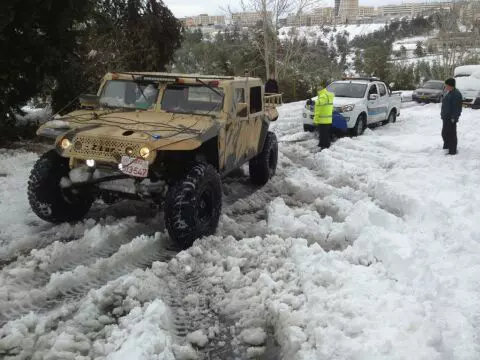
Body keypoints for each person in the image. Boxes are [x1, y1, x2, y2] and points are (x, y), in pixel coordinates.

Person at [441, 78, 463, 155]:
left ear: (451, 85)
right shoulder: (449, 92)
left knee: (451, 134)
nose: (445, 86)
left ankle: (452, 150)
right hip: (446, 117)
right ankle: (447, 146)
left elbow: (457, 108)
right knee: (445, 133)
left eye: (446, 85)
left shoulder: (456, 94)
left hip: (451, 118)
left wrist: (454, 117)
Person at [313, 84, 335, 149]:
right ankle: (322, 144)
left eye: (317, 90)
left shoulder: (323, 96)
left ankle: (324, 147)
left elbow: (319, 105)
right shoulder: (328, 94)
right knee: (325, 133)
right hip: (328, 119)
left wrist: (315, 119)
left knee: (323, 134)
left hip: (323, 119)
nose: (317, 91)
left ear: (319, 90)